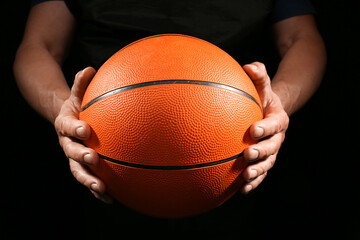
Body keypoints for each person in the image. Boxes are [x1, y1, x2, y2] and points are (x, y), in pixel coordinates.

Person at [13, 0, 325, 206]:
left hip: (236, 148)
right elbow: (39, 44)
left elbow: (301, 38)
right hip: (99, 150)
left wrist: (275, 107)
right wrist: (65, 112)